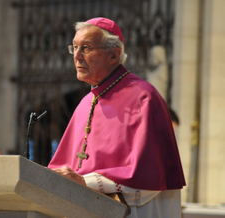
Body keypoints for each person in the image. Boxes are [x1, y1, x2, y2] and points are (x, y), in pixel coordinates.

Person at [48, 17, 185, 218]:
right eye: (74, 47)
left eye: (86, 48)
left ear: (114, 55)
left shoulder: (143, 98)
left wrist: (86, 182)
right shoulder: (86, 103)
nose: (76, 56)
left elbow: (148, 180)